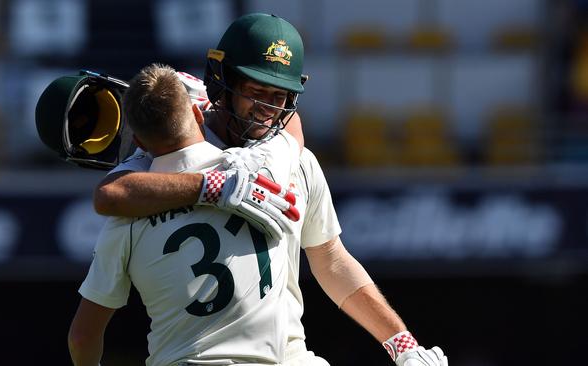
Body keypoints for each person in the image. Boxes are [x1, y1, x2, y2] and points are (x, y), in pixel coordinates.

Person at [86, 13, 447, 366]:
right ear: (221, 82)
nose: (267, 109)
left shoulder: (295, 158)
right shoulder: (169, 153)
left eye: (279, 96)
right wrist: (214, 185)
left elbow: (331, 260)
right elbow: (111, 193)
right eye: (256, 91)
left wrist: (402, 344)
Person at [68, 63, 304, 365]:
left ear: (139, 142)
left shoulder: (125, 219)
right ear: (196, 114)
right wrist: (216, 100)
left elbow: (81, 337)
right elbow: (290, 125)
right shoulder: (257, 168)